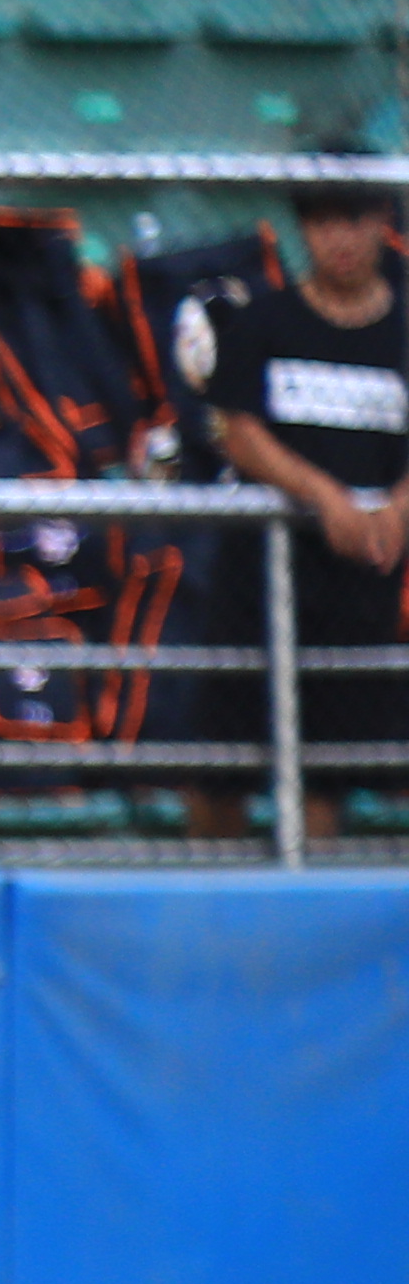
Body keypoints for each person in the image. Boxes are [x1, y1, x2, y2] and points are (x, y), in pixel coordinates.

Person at [186, 156, 409, 847]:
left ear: (382, 221)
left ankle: (309, 892)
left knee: (326, 770)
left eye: (353, 219)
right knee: (221, 762)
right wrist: (325, 498)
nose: (339, 239)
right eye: (321, 222)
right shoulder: (264, 321)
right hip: (258, 577)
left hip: (360, 583)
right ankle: (210, 891)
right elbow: (239, 433)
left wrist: (397, 507)